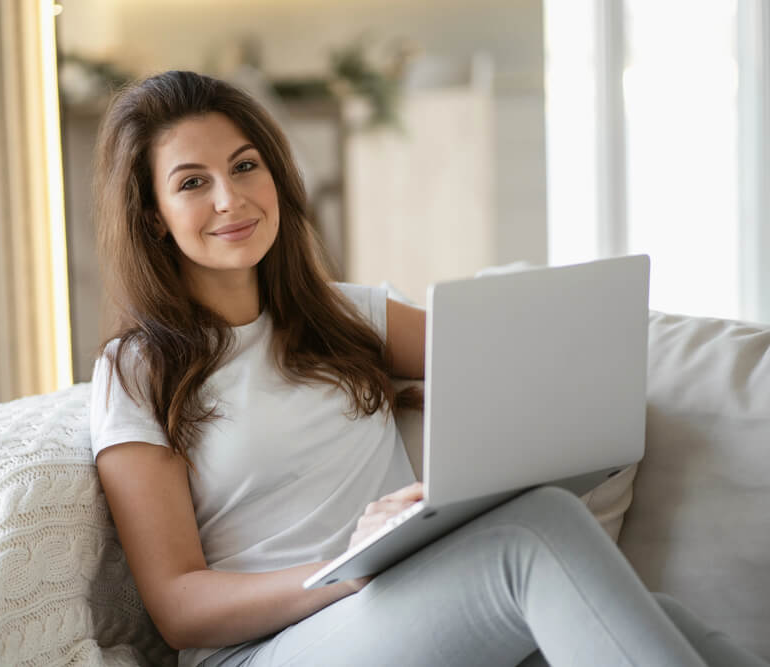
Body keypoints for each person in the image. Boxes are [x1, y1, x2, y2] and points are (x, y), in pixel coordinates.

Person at [90, 70, 766, 667]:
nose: (231, 200)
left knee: (658, 619)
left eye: (245, 167)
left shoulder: (350, 315)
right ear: (153, 217)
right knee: (539, 532)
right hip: (270, 646)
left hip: (407, 602)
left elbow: (528, 371)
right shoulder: (137, 371)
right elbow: (179, 603)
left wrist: (464, 421)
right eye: (192, 183)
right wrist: (341, 571)